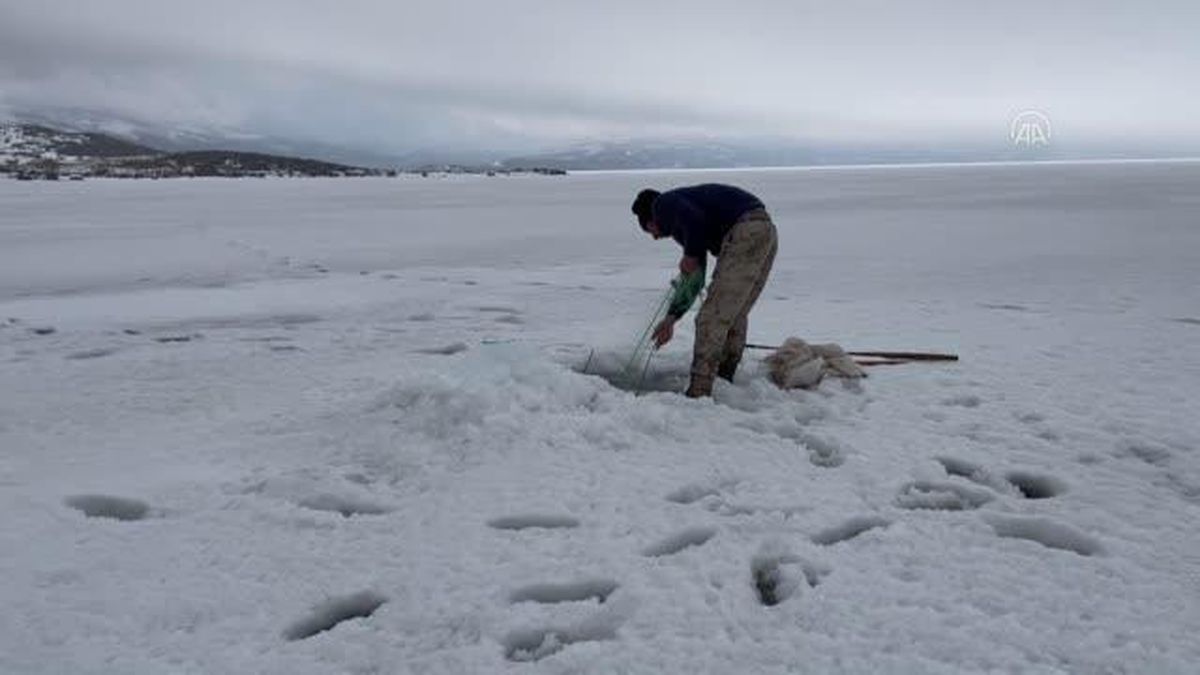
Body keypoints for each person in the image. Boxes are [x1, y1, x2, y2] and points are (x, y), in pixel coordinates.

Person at [631, 184, 778, 398]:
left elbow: (692, 222)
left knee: (710, 318)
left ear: (650, 220)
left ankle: (699, 392)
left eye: (649, 230)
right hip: (764, 231)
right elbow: (696, 278)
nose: (654, 237)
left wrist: (690, 255)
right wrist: (671, 319)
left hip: (746, 231)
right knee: (733, 314)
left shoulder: (662, 204)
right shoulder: (691, 227)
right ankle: (724, 379)